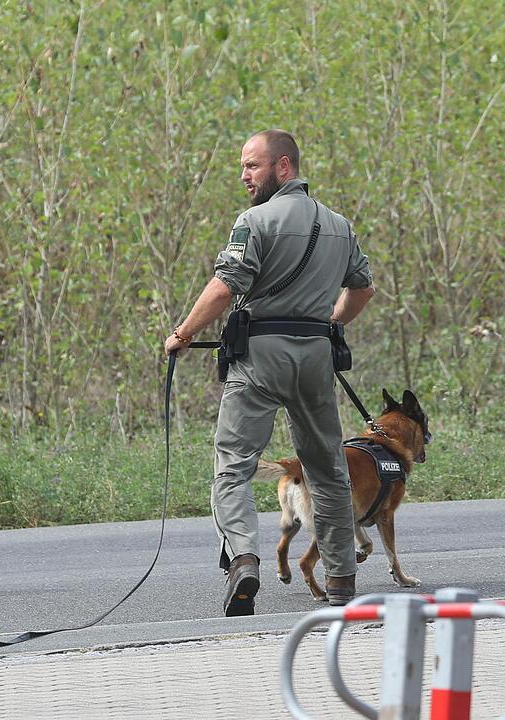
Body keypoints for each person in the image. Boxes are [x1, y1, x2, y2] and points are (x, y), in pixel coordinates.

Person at [164, 129, 375, 616]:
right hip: (316, 357)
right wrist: (331, 322)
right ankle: (341, 578)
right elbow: (363, 289)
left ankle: (244, 561)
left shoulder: (254, 221)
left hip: (260, 357)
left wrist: (184, 333)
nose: (244, 176)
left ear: (284, 167)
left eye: (252, 166)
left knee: (233, 464)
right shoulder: (340, 225)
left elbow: (225, 286)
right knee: (328, 468)